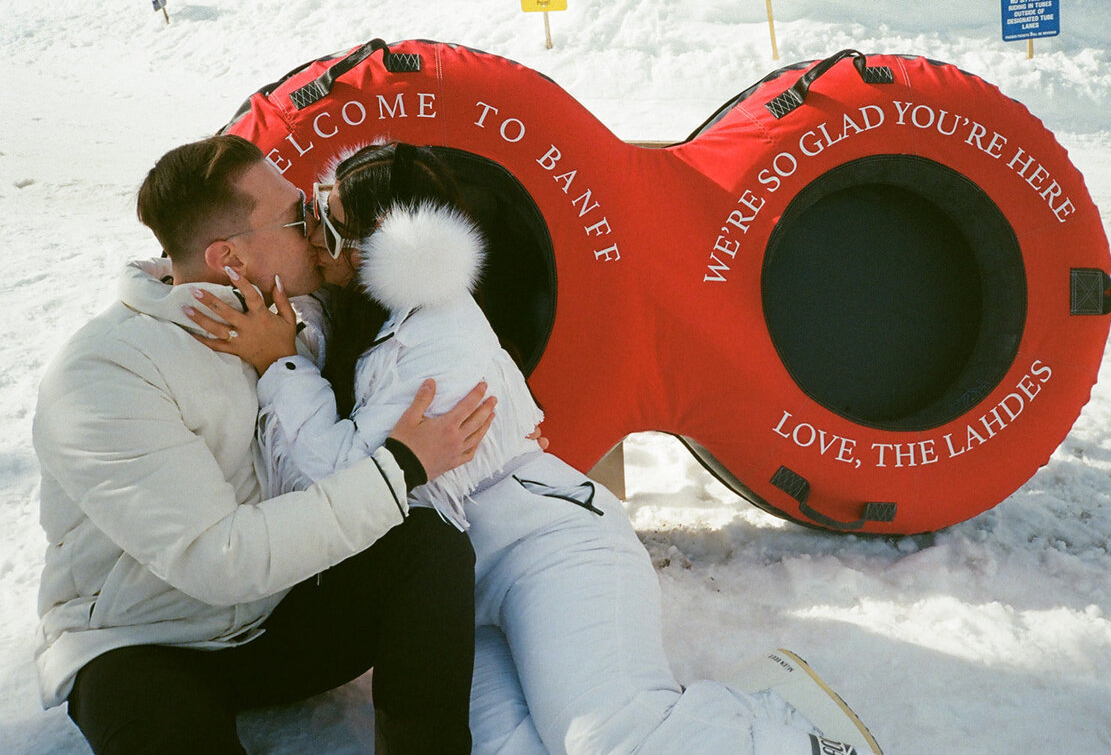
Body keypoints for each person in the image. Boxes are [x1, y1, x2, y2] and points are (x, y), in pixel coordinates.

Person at [191, 140, 883, 754]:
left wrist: (281, 365)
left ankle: (782, 731)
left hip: (547, 549)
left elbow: (348, 483)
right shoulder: (364, 313)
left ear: (384, 242)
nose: (312, 235)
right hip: (462, 586)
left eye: (329, 221)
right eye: (313, 209)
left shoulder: (437, 336)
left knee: (610, 737)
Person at [31, 135, 498, 754]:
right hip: (146, 645)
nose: (317, 228)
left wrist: (513, 414)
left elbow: (429, 316)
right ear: (229, 257)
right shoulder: (104, 375)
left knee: (429, 546)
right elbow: (220, 559)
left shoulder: (299, 311)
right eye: (298, 216)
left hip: (275, 617)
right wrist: (401, 467)